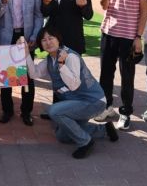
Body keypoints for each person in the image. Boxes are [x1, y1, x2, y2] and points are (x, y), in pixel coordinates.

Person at [20, 26, 118, 159]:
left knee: (55, 111)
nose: (48, 42)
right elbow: (34, 73)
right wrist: (26, 54)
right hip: (79, 102)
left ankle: (85, 142)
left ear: (58, 39)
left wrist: (62, 65)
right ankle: (104, 130)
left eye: (51, 38)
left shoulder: (70, 56)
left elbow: (74, 85)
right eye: (44, 40)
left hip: (93, 101)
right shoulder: (50, 59)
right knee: (62, 136)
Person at [95, 0, 147, 130]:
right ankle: (107, 106)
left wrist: (138, 36)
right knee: (106, 73)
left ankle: (125, 112)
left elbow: (144, 12)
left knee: (127, 76)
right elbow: (104, 6)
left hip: (128, 36)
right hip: (108, 32)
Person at [0, 0, 43, 125]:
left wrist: (35, 35)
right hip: (6, 35)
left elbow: (38, 15)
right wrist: (4, 2)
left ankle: (26, 112)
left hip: (26, 35)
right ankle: (7, 111)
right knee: (6, 76)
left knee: (28, 76)